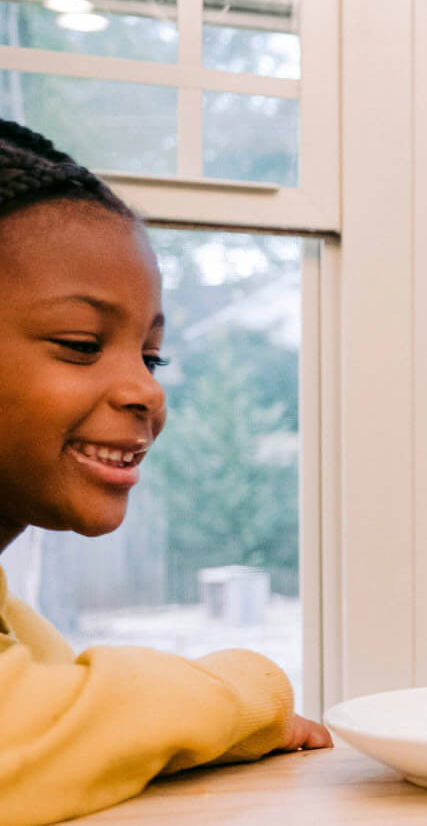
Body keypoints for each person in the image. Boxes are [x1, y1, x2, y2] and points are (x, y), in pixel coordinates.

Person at [0, 119, 332, 825]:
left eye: (152, 357)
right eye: (81, 344)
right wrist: (243, 696)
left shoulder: (16, 626)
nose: (147, 392)